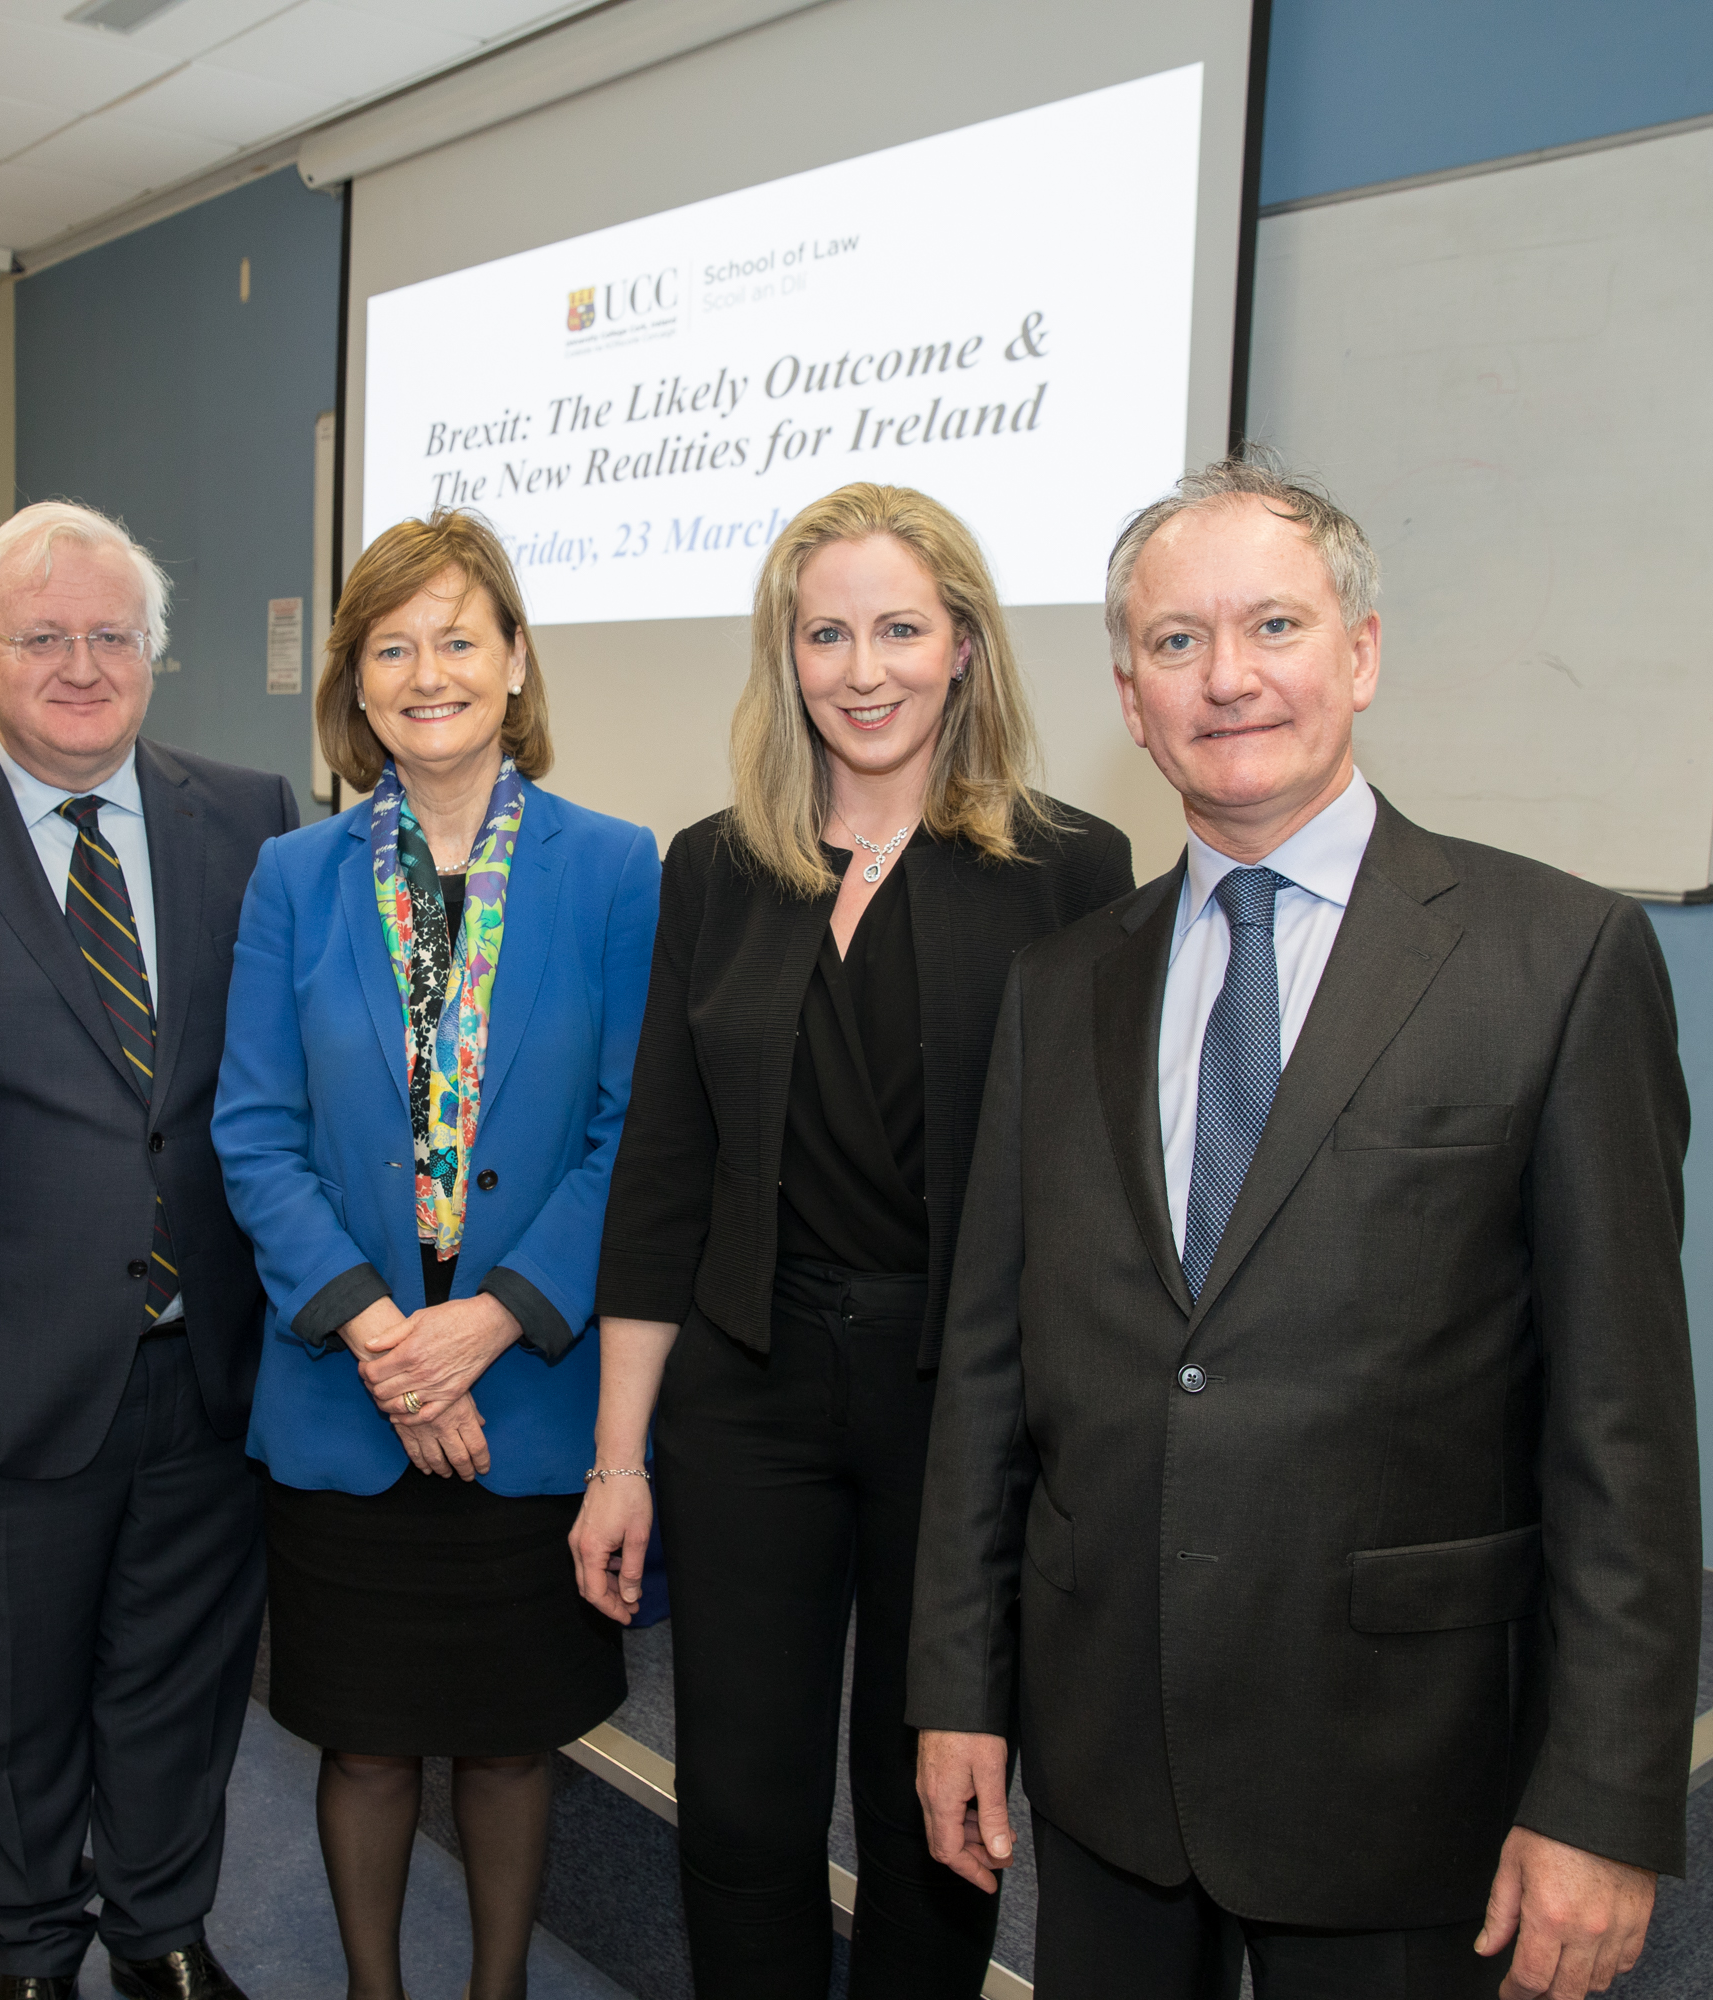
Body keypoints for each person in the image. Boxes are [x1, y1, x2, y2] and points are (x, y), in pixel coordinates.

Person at [911, 458, 1701, 2000]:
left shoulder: (1558, 959)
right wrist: (957, 1685)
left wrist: (1601, 1802)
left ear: (1362, 652)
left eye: (1273, 622)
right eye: (1176, 642)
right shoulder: (1062, 985)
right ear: (1131, 698)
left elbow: (1624, 1429)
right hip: (1107, 1754)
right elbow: (991, 1368)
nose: (1229, 678)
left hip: (1405, 1763)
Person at [572, 483, 1134, 1997]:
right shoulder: (717, 864)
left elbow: (1096, 1197)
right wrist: (619, 1460)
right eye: (829, 632)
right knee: (742, 1801)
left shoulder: (1067, 868)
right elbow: (664, 1181)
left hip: (961, 1407)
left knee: (929, 1804)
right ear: (787, 654)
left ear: (964, 646)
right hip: (744, 1391)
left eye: (901, 627)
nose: (864, 667)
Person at [0, 501, 298, 2000]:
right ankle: (30, 1949)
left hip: (207, 1365)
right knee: (13, 1701)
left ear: (154, 657)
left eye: (113, 636)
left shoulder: (249, 815)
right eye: (45, 637)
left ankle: (161, 1931)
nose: (82, 665)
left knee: (180, 1684)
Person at [214, 510, 657, 2000]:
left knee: (515, 1737)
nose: (427, 671)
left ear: (516, 660)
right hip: (351, 1391)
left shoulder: (614, 870)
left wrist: (487, 1325)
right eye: (391, 645)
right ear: (355, 682)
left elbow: (631, 1134)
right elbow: (254, 1133)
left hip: (528, 1391)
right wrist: (386, 1338)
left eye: (459, 637)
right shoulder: (297, 874)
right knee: (366, 1738)